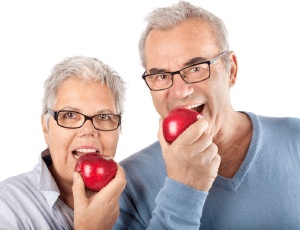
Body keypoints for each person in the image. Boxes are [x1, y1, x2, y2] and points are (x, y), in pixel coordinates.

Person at [114, 1, 300, 229]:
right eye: (161, 76)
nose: (180, 91)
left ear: (231, 70)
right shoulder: (127, 183)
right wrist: (183, 187)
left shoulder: (296, 138)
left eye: (196, 68)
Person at [0, 56, 127, 229]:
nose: (88, 130)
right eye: (70, 115)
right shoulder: (7, 207)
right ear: (46, 127)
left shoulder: (139, 198)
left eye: (104, 117)